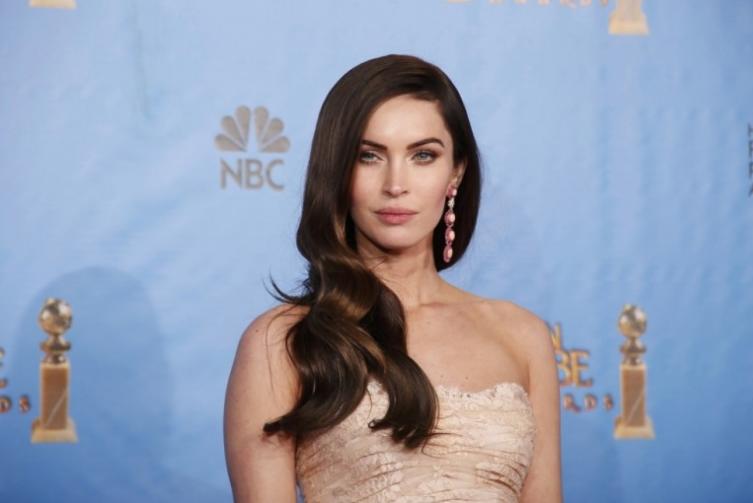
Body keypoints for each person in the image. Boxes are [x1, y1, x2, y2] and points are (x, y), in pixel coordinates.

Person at [224, 54, 562, 503]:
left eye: (423, 155)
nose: (395, 183)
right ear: (338, 171)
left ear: (455, 171)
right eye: (369, 156)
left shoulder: (523, 336)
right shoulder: (283, 341)